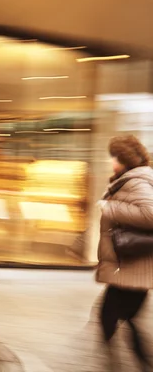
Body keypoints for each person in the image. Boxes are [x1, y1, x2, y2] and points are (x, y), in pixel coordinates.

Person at [96, 135, 153, 370]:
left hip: (132, 266)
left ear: (124, 158)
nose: (111, 162)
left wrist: (112, 208)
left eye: (114, 157)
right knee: (124, 318)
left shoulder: (136, 181)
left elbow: (151, 214)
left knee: (109, 316)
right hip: (131, 266)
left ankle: (120, 365)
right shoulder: (132, 178)